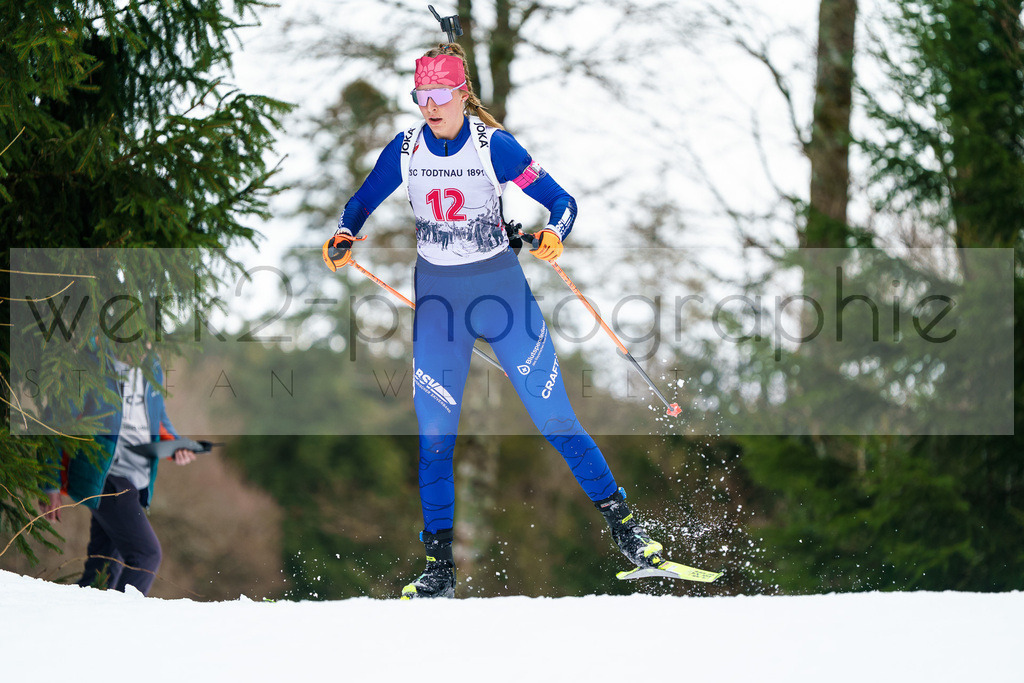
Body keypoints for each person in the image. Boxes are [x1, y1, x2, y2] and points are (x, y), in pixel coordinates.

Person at [324, 43, 666, 599]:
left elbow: (562, 201)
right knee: (434, 438)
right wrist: (343, 234)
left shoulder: (493, 147)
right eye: (420, 96)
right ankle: (439, 570)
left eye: (438, 95)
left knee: (555, 420)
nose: (429, 106)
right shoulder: (406, 149)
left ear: (461, 94)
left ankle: (631, 536)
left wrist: (556, 233)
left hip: (502, 297)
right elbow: (360, 203)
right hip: (440, 306)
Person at [41, 346, 196, 596]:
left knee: (101, 571)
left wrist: (175, 444)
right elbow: (53, 424)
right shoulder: (90, 365)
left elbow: (157, 415)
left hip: (136, 477)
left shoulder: (152, 367)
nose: (146, 347)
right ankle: (123, 626)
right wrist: (50, 484)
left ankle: (79, 627)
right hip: (106, 476)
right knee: (147, 554)